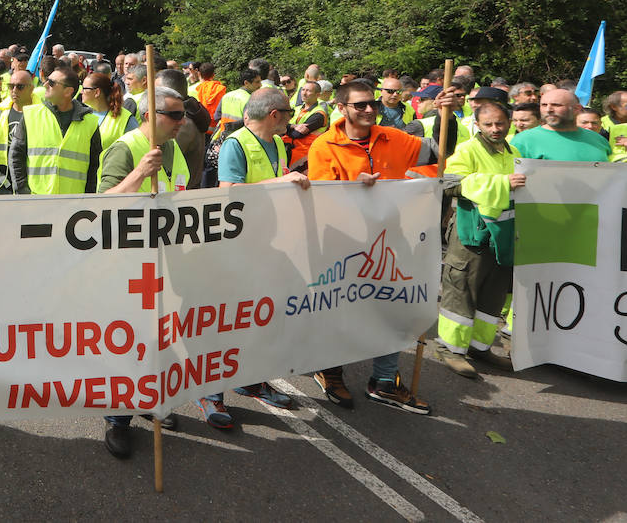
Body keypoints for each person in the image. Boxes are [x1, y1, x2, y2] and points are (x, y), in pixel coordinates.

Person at [307, 80, 458, 415]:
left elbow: (439, 150)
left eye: (371, 103)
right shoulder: (324, 146)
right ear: (342, 108)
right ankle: (330, 371)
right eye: (359, 105)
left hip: (391, 241)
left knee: (393, 307)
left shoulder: (393, 137)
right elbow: (321, 199)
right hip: (343, 245)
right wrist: (354, 190)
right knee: (341, 311)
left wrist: (448, 113)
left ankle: (385, 381)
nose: (368, 110)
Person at [201, 87, 309, 427]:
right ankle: (210, 393)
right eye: (289, 113)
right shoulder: (237, 143)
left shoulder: (277, 143)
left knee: (260, 318)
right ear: (275, 114)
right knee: (226, 321)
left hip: (267, 243)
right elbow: (227, 195)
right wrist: (283, 182)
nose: (292, 119)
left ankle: (250, 380)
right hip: (237, 248)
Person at [95, 88, 189, 457]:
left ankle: (148, 398)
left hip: (164, 259)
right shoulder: (126, 148)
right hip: (130, 264)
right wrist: (139, 173)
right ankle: (118, 419)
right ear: (151, 114)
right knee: (131, 341)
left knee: (160, 337)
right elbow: (103, 204)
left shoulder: (173, 148)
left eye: (184, 116)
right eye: (175, 115)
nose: (182, 122)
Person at [436, 100, 523, 378]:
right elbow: (449, 183)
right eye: (488, 124)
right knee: (462, 289)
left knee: (493, 293)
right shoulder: (468, 149)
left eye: (500, 123)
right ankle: (450, 349)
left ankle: (479, 347)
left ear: (509, 122)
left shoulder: (515, 151)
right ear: (478, 125)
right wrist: (501, 184)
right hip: (471, 234)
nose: (495, 129)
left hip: (503, 235)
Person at [10, 62, 101, 195]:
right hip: (36, 202)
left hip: (73, 206)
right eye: (47, 81)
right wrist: (23, 193)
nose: (45, 85)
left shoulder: (90, 122)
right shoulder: (31, 114)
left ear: (68, 91)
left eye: (52, 83)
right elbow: (15, 156)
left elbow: (95, 167)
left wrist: (87, 198)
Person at [509, 88, 611, 162]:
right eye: (544, 105)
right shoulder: (523, 141)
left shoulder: (598, 140)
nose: (548, 110)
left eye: (556, 105)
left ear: (577, 109)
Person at [0, 69, 35, 194]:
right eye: (11, 86)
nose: (14, 90)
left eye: (20, 87)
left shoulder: (40, 113)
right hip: (3, 178)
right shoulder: (0, 112)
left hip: (31, 177)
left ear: (31, 89)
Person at [81, 71, 137, 164]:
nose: (81, 91)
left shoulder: (126, 119)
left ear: (97, 92)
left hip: (113, 175)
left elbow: (136, 148)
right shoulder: (82, 115)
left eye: (84, 88)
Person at [286, 80, 330, 169]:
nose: (304, 93)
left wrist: (285, 128)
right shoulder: (297, 108)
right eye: (303, 90)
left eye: (308, 91)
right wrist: (291, 126)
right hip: (292, 150)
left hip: (306, 156)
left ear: (317, 95)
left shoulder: (319, 114)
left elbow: (297, 134)